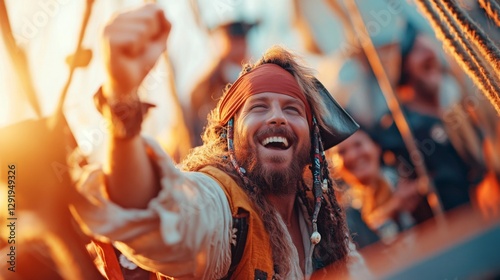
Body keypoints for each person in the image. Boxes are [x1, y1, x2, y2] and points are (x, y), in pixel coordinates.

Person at [72, 4, 365, 279]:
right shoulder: (224, 212)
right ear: (230, 135)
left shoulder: (323, 223)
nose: (277, 118)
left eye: (292, 109)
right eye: (258, 107)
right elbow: (156, 213)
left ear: (313, 141)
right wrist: (122, 97)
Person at [372, 23, 486, 213]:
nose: (430, 53)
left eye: (430, 46)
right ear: (403, 69)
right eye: (417, 50)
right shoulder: (393, 131)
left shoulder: (462, 116)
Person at [330, 129, 421, 247]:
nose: (352, 156)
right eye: (342, 152)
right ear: (334, 166)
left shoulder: (408, 177)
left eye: (358, 145)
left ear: (376, 147)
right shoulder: (344, 213)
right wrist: (394, 205)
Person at [187, 20, 256, 147]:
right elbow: (195, 133)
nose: (240, 46)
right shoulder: (204, 90)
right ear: (223, 42)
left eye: (242, 40)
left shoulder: (257, 80)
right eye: (234, 41)